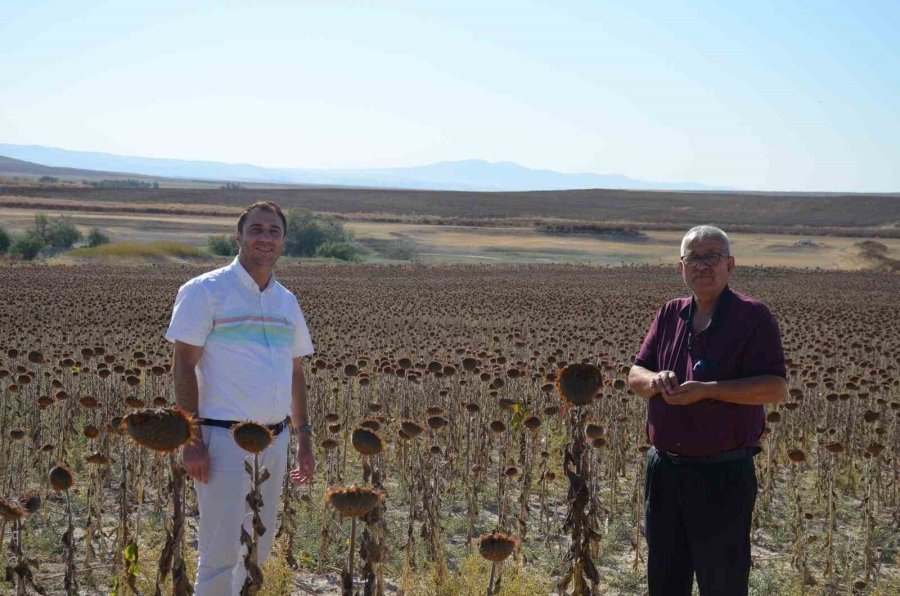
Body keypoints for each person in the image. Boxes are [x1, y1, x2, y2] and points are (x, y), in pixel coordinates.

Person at [165, 200, 315, 595]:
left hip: (275, 440)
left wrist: (303, 440)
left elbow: (296, 373)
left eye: (273, 231)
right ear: (239, 235)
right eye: (257, 229)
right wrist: (192, 440)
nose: (265, 237)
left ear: (283, 241)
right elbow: (183, 366)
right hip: (221, 440)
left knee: (258, 549)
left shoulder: (286, 301)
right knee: (220, 553)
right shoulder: (206, 291)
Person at [627, 225, 786, 596]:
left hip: (722, 475)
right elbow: (635, 373)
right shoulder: (669, 313)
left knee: (723, 582)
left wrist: (708, 392)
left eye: (711, 256)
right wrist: (656, 381)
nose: (702, 265)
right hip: (665, 471)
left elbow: (775, 387)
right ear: (681, 267)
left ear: (730, 264)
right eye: (693, 258)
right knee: (665, 580)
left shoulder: (753, 317)